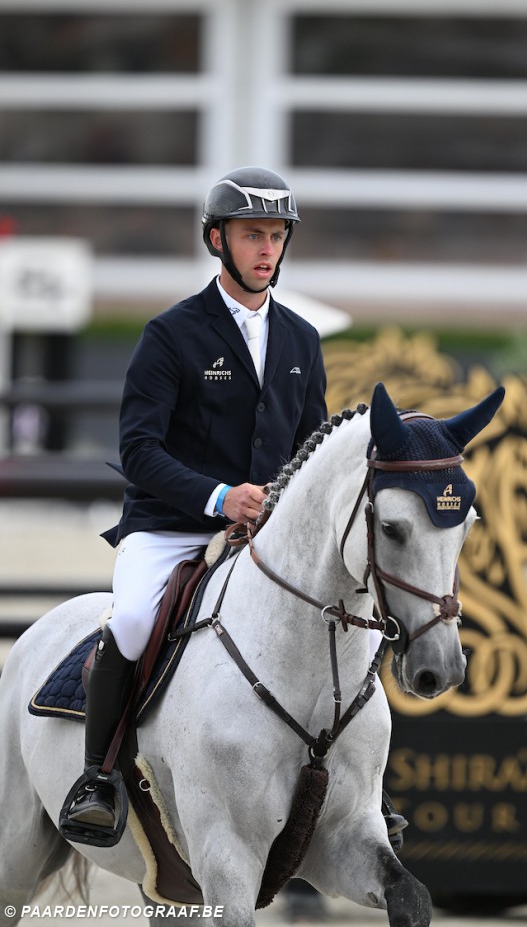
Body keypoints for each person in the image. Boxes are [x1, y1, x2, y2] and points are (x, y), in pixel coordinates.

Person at [64, 166, 327, 829]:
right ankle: (97, 777)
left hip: (265, 534)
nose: (266, 248)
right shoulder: (171, 334)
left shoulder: (301, 339)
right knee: (128, 622)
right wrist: (219, 499)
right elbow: (139, 452)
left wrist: (280, 504)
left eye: (275, 235)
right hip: (172, 526)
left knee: (338, 621)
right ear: (217, 239)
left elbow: (311, 447)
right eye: (251, 235)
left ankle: (358, 786)